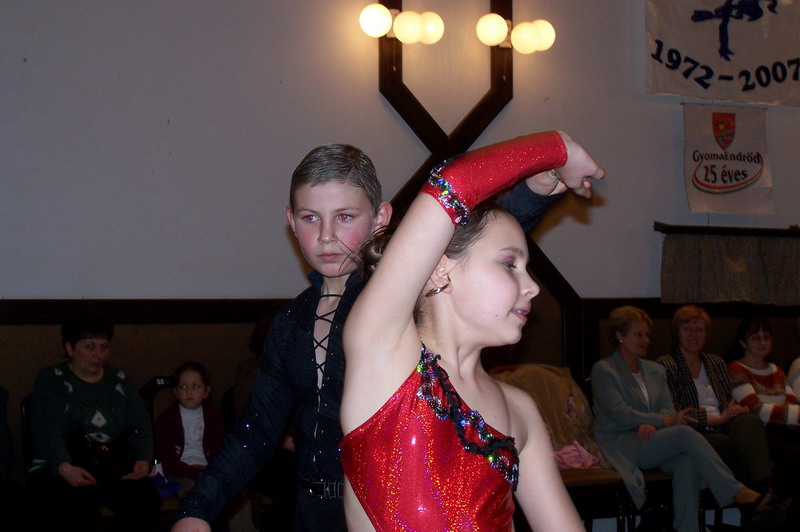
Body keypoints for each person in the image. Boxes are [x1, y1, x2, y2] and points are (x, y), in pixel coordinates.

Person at [172, 142, 582, 532]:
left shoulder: (393, 307)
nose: (327, 235)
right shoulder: (289, 324)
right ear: (291, 221)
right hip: (307, 509)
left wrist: (530, 193)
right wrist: (197, 509)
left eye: (345, 216)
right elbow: (256, 432)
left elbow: (462, 243)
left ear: (381, 218)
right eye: (310, 217)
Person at [340, 131, 604, 530]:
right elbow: (453, 185)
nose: (533, 287)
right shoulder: (383, 358)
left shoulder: (520, 409)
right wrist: (558, 148)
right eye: (509, 264)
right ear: (441, 269)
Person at [592, 306, 776, 532]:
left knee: (686, 463)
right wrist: (661, 421)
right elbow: (620, 412)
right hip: (622, 442)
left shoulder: (654, 370)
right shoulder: (604, 370)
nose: (645, 340)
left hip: (652, 437)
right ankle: (737, 492)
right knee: (683, 432)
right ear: (620, 335)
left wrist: (653, 422)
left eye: (647, 334)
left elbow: (667, 409)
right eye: (638, 334)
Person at [30, 312, 161, 532]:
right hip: (60, 465)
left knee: (146, 501)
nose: (98, 354)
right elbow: (47, 429)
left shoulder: (119, 379)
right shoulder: (51, 379)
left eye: (103, 347)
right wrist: (63, 466)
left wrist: (143, 459)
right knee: (78, 507)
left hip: (110, 463)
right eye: (90, 347)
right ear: (70, 348)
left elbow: (140, 423)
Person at [656, 305, 773, 492]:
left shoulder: (715, 362)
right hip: (693, 431)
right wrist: (718, 419)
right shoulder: (665, 364)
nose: (694, 335)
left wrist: (737, 409)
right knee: (725, 444)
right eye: (687, 329)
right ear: (677, 332)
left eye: (699, 330)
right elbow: (676, 413)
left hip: (725, 422)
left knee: (750, 420)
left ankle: (763, 487)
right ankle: (756, 495)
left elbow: (728, 400)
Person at [728, 315, 800, 523]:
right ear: (743, 342)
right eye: (755, 338)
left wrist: (785, 414)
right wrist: (788, 414)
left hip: (784, 431)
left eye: (766, 337)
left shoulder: (777, 370)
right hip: (758, 434)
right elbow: (755, 409)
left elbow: (793, 405)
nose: (762, 342)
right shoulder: (736, 369)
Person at [155, 361, 226, 498]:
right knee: (197, 490)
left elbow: (220, 451)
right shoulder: (166, 419)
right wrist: (197, 473)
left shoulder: (214, 417)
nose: (189, 392)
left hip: (209, 469)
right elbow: (167, 460)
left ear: (206, 391)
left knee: (235, 488)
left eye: (195, 386)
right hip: (180, 472)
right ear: (176, 392)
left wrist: (213, 472)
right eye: (183, 387)